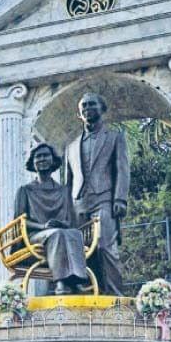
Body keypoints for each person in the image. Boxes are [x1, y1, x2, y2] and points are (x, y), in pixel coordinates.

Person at [65, 92, 130, 296]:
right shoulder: (71, 146)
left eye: (91, 104)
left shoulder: (114, 137)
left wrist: (120, 198)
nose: (86, 109)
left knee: (104, 247)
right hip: (78, 203)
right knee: (82, 251)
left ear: (102, 109)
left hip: (105, 199)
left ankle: (115, 295)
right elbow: (68, 182)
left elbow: (122, 168)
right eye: (83, 106)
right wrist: (65, 210)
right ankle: (92, 292)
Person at [14, 143, 88, 295]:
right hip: (35, 235)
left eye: (45, 155)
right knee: (56, 234)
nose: (42, 159)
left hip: (58, 232)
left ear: (53, 160)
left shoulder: (62, 191)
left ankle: (76, 281)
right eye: (38, 156)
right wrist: (43, 226)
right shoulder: (25, 190)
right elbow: (19, 221)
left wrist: (61, 224)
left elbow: (69, 220)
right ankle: (60, 282)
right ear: (33, 162)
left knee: (75, 233)